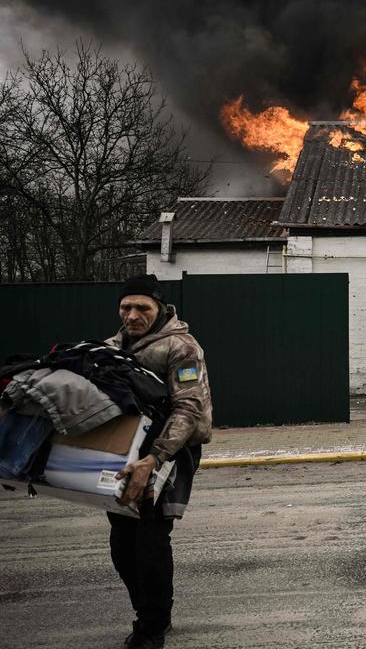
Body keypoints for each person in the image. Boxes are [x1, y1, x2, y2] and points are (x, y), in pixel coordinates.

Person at [106, 274, 213, 649]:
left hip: (171, 451)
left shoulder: (181, 347)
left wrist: (154, 457)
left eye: (142, 308)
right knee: (122, 544)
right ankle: (150, 613)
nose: (132, 315)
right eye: (126, 307)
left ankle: (152, 628)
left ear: (160, 309)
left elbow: (189, 407)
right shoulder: (113, 345)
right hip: (127, 454)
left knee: (150, 540)